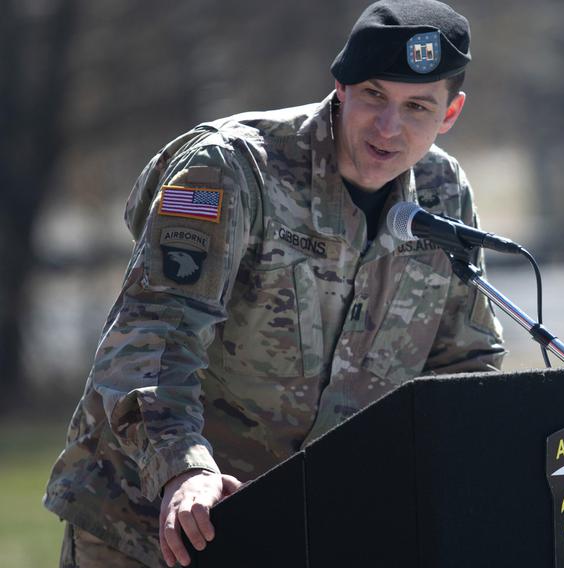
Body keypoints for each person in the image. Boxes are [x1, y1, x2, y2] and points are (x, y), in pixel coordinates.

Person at [44, 1, 506, 566]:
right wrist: (184, 468)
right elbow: (154, 337)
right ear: (340, 87)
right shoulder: (230, 169)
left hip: (299, 534)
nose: (390, 128)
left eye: (416, 107)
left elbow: (464, 364)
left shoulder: (442, 193)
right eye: (374, 96)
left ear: (450, 112)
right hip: (147, 520)